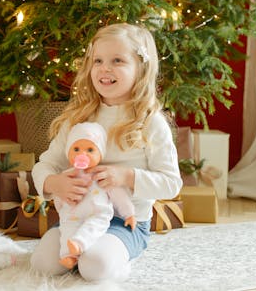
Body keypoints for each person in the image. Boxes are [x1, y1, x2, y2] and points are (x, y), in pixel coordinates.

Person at [30, 22, 182, 281]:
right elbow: (45, 164)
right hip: (77, 218)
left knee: (95, 267)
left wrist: (127, 177)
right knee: (43, 265)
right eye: (98, 60)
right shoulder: (79, 117)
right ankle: (84, 249)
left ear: (141, 69)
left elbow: (171, 184)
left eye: (118, 60)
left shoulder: (149, 122)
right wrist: (53, 183)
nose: (105, 69)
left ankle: (117, 255)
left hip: (126, 222)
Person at [56, 122, 136, 270]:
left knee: (93, 227)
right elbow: (59, 195)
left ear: (100, 154)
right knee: (66, 229)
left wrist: (129, 213)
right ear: (68, 152)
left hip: (97, 213)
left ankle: (79, 244)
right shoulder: (67, 175)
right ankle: (68, 256)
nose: (82, 154)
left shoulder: (103, 174)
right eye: (76, 149)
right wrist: (60, 205)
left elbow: (119, 195)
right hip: (72, 214)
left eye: (90, 150)